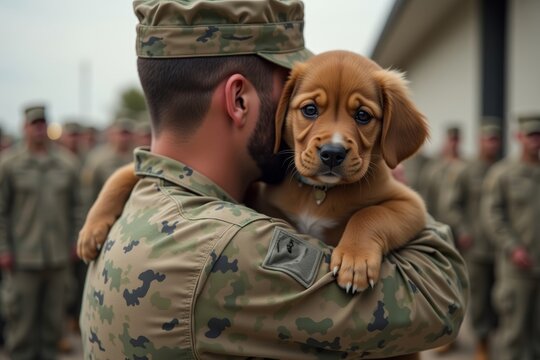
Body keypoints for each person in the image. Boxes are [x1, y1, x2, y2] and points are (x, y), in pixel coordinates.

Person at [79, 0, 468, 358]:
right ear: (240, 100)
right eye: (298, 98)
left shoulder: (147, 202)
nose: (330, 135)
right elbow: (440, 300)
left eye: (361, 115)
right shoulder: (233, 249)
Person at [0, 105, 80, 360]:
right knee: (21, 324)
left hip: (57, 257)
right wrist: (3, 249)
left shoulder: (67, 164)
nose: (39, 128)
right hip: (23, 258)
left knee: (52, 325)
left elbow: (77, 208)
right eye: (34, 124)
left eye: (42, 123)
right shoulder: (10, 165)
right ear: (24, 127)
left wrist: (75, 241)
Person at [443, 118, 502, 360]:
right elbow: (452, 205)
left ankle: (497, 336)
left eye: (496, 139)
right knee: (476, 296)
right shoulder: (467, 171)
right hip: (477, 247)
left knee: (500, 298)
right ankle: (481, 341)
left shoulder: (501, 169)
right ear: (480, 141)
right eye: (488, 139)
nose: (492, 144)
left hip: (499, 247)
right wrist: (464, 230)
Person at [481, 115, 540, 360]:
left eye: (539, 136)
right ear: (519, 138)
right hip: (517, 267)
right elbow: (492, 215)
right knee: (514, 334)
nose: (536, 141)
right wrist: (512, 247)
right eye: (531, 136)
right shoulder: (503, 174)